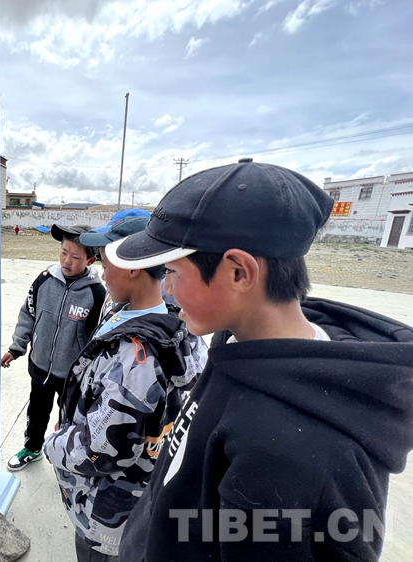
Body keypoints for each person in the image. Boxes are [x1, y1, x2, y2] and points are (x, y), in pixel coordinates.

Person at [105, 159, 413, 561]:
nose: (168, 290)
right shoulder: (238, 344)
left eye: (173, 271)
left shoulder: (298, 458)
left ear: (239, 272)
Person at [44, 217, 206, 562]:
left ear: (133, 267)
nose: (102, 274)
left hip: (104, 515)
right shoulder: (163, 322)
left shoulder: (135, 358)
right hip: (136, 500)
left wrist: (54, 443)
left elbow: (102, 450)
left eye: (105, 263)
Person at [1, 224, 106, 471]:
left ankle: (66, 459)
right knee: (37, 413)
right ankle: (32, 448)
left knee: (69, 421)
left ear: (90, 260)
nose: (67, 261)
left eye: (75, 256)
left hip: (72, 376)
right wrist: (16, 348)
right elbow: (28, 314)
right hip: (40, 366)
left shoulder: (96, 293)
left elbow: (96, 338)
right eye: (63, 252)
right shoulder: (44, 280)